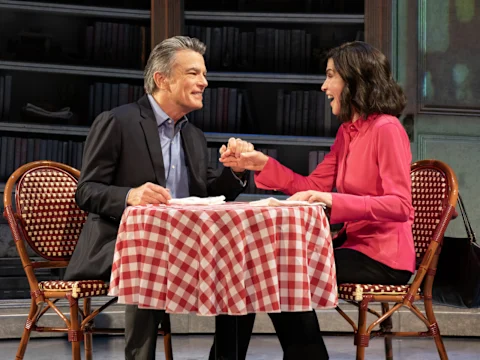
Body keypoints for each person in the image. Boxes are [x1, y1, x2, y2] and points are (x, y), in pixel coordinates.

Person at [219, 41, 415, 359]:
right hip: (352, 248)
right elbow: (311, 186)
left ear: (353, 80)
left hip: (384, 259)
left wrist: (334, 200)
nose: (324, 86)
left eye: (330, 76)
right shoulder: (348, 133)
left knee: (279, 271)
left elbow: (400, 205)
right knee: (252, 267)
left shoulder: (387, 129)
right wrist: (260, 164)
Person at [63, 36, 253, 360]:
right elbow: (87, 190)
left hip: (182, 244)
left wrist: (235, 171)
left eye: (204, 74)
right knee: (148, 257)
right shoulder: (118, 122)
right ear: (161, 79)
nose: (204, 82)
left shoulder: (193, 134)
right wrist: (130, 195)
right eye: (193, 73)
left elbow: (207, 191)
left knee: (240, 269)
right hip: (121, 245)